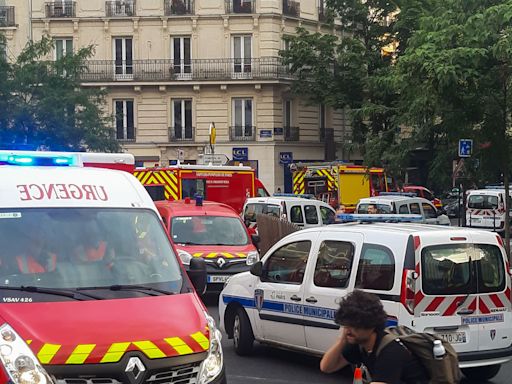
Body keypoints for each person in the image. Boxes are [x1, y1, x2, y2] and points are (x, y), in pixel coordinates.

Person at [320, 290, 428, 384]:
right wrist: (342, 340)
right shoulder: (360, 344)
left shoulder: (391, 351)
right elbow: (327, 367)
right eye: (346, 324)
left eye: (355, 326)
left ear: (371, 325)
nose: (348, 330)